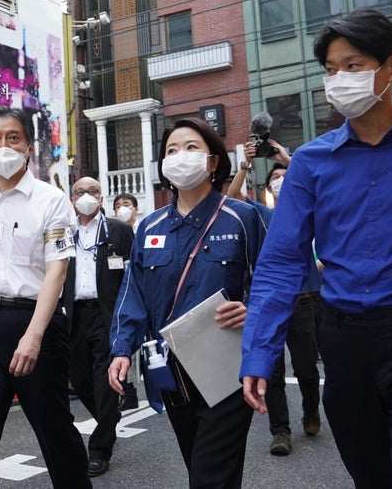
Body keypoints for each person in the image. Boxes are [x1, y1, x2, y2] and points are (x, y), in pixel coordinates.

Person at [240, 8, 392, 488]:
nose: (338, 79)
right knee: (371, 474)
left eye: (352, 65)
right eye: (329, 69)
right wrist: (259, 353)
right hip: (343, 342)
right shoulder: (309, 162)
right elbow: (282, 261)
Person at [108, 118, 265, 488]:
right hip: (171, 371)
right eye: (172, 150)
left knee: (210, 475)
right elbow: (134, 292)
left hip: (227, 369)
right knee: (199, 465)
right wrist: (121, 349)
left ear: (213, 163)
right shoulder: (149, 227)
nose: (180, 156)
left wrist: (253, 310)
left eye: (191, 148)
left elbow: (271, 284)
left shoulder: (243, 217)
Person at [0, 106, 91, 489]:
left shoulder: (51, 200)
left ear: (29, 145)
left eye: (13, 137)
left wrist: (33, 335)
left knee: (55, 433)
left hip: (38, 325)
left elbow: (56, 271)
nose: (4, 146)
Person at [229, 146, 322, 457]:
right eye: (275, 179)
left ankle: (311, 410)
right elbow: (233, 196)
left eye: (285, 176)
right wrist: (245, 165)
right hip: (269, 302)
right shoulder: (265, 215)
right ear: (268, 190)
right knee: (274, 370)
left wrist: (285, 159)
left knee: (307, 368)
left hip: (305, 299)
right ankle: (280, 431)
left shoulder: (314, 210)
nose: (281, 180)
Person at [62, 177, 134, 477]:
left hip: (108, 313)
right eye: (80, 192)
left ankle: (100, 448)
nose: (86, 197)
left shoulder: (117, 230)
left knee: (105, 382)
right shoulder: (64, 231)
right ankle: (109, 418)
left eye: (92, 191)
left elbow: (132, 275)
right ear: (72, 198)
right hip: (75, 314)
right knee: (79, 380)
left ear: (102, 198)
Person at [111, 192, 141, 410]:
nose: (122, 208)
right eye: (118, 205)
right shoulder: (112, 232)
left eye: (127, 204)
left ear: (135, 209)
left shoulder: (144, 229)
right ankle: (127, 389)